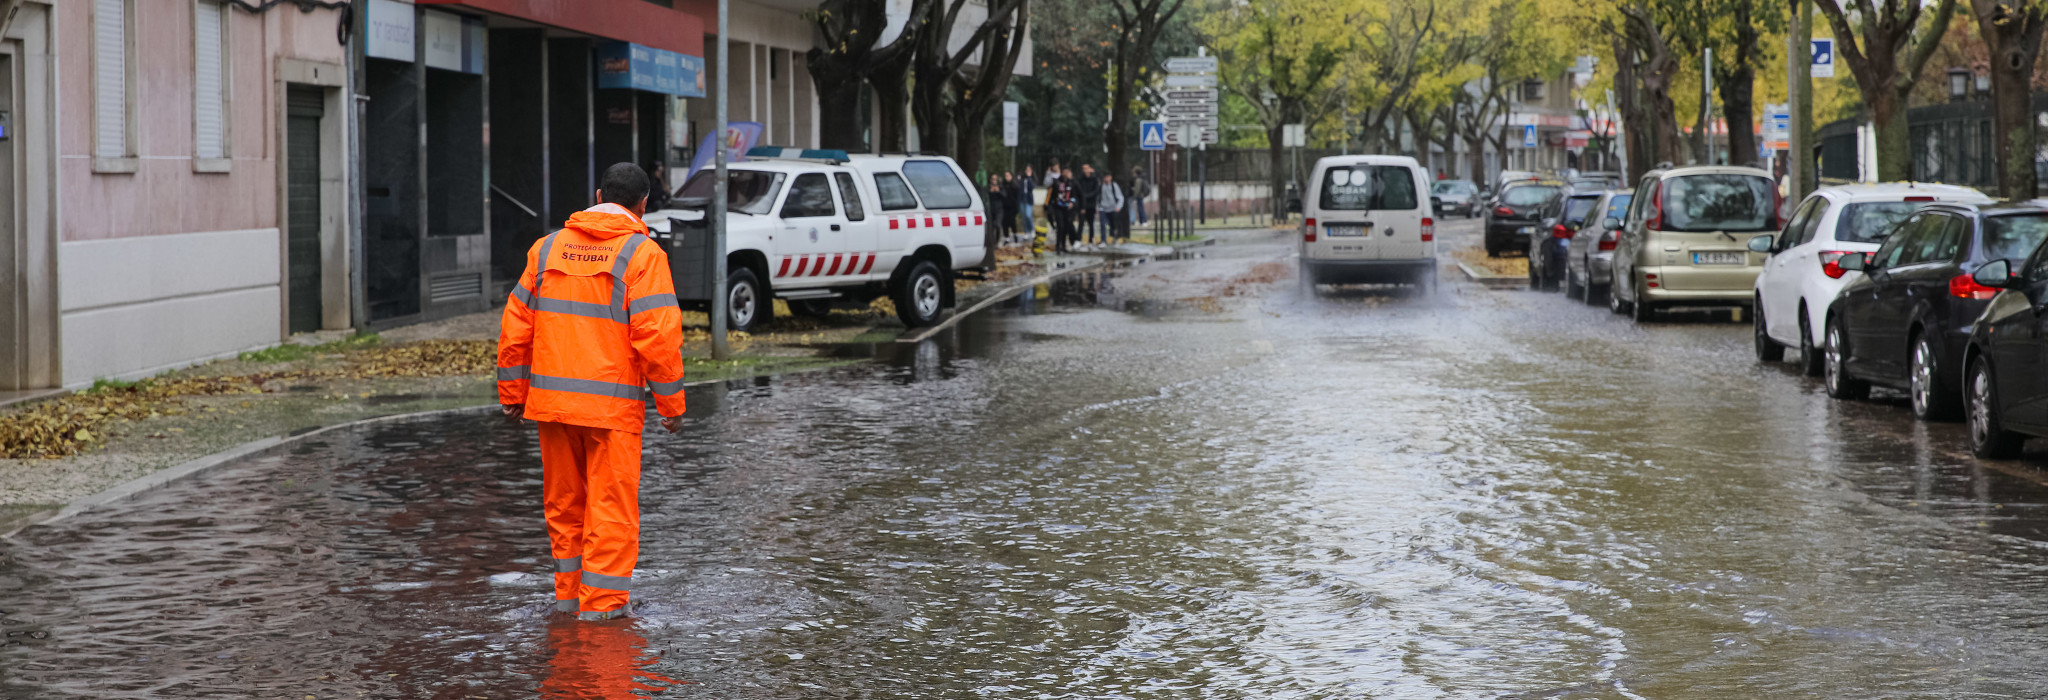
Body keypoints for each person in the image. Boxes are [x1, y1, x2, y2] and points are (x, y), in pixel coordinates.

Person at [497, 162, 687, 622]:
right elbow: (657, 336)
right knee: (611, 513)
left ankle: (567, 605)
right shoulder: (642, 255)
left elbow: (516, 327)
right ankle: (602, 616)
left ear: (598, 193)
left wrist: (512, 394)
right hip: (611, 410)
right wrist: (671, 404)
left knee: (565, 509)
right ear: (643, 204)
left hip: (553, 406)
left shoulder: (546, 250)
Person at [1049, 168, 1078, 253]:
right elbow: (1052, 195)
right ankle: (1058, 246)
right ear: (1061, 173)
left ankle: (1064, 246)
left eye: (1067, 172)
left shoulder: (1071, 182)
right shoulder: (1056, 182)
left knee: (1066, 227)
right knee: (1060, 226)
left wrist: (1072, 203)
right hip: (1058, 207)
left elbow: (1074, 195)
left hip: (1067, 207)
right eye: (1064, 172)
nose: (1065, 174)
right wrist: (1051, 206)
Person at [1076, 164, 1101, 245]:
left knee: (1091, 224)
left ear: (1090, 169)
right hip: (1082, 205)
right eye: (1083, 169)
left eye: (1086, 168)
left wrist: (1086, 196)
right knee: (1081, 223)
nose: (1085, 170)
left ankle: (1090, 240)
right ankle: (1078, 240)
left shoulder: (1094, 179)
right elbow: (1078, 190)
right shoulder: (1080, 179)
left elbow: (1096, 192)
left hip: (1091, 205)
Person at [1097, 173, 1125, 244]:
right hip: (1103, 208)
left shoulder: (1114, 186)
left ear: (1110, 177)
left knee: (1113, 225)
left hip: (1113, 208)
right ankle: (1103, 240)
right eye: (1105, 177)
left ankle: (1115, 238)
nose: (1106, 179)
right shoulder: (1101, 187)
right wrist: (1097, 207)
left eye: (1108, 177)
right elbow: (1098, 198)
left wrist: (1118, 207)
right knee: (1102, 224)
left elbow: (1120, 197)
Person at [1016, 167, 1036, 243]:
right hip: (1022, 200)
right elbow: (1018, 186)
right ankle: (1026, 232)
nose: (1027, 171)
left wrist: (1029, 177)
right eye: (1026, 170)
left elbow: (1032, 187)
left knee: (1028, 215)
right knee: (1024, 217)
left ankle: (1032, 230)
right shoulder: (1021, 179)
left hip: (1029, 200)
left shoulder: (1031, 179)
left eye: (1029, 170)